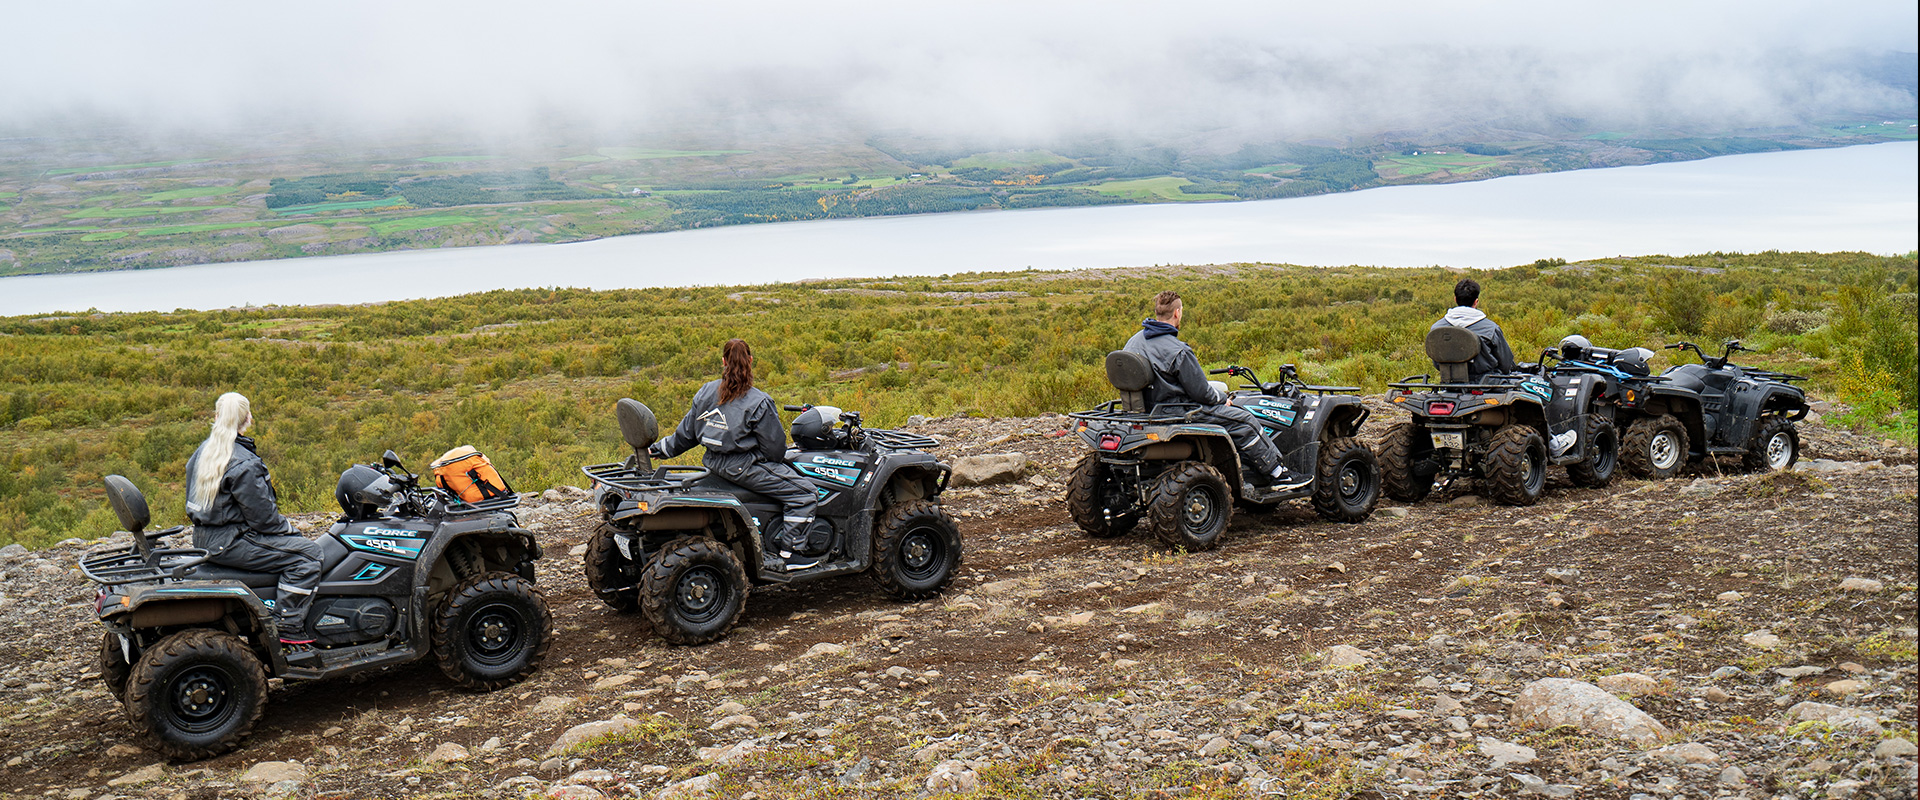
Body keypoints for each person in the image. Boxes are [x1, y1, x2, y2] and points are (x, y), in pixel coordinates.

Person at [649, 339, 821, 571]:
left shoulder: (705, 392)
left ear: (723, 362)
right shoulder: (759, 401)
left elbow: (686, 434)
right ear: (750, 361)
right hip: (744, 467)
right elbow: (775, 450)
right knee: (805, 494)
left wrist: (659, 449)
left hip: (713, 464)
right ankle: (790, 553)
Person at [1123, 290, 1307, 491]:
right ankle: (1279, 475)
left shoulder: (1133, 342)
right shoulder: (1179, 350)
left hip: (1144, 409)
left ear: (1157, 312)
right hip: (1178, 411)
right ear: (1177, 313)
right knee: (1245, 421)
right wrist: (1222, 399)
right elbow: (1202, 392)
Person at [183, 392, 323, 651]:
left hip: (204, 537)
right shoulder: (244, 462)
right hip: (231, 541)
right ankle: (288, 625)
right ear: (248, 418)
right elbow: (264, 519)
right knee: (309, 556)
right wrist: (291, 531)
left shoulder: (204, 451)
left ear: (216, 417)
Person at [1432, 278, 1516, 382]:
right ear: (1476, 302)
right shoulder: (1490, 329)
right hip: (1487, 385)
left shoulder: (1437, 328)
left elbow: (1436, 361)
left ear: (1455, 299)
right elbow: (1506, 364)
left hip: (1450, 384)